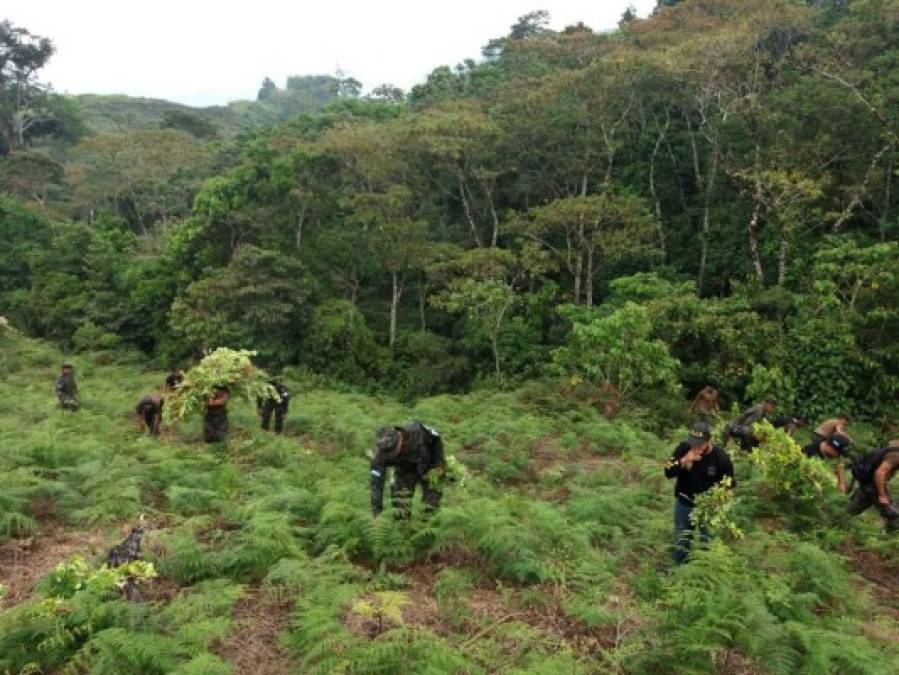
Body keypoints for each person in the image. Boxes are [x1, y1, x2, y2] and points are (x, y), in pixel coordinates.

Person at [665, 420, 735, 564]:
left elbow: (729, 485)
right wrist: (684, 460)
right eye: (693, 442)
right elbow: (668, 471)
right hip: (684, 502)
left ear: (709, 441)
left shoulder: (721, 458)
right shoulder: (683, 448)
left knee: (708, 543)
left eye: (699, 443)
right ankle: (679, 572)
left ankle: (705, 573)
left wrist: (718, 501)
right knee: (682, 540)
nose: (695, 446)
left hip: (708, 508)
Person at [370, 422, 446, 518]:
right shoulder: (380, 457)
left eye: (393, 451)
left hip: (430, 465)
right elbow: (376, 485)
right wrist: (376, 515)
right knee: (400, 507)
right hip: (405, 470)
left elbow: (436, 439)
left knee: (431, 506)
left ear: (399, 440)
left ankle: (427, 527)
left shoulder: (417, 431)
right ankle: (404, 529)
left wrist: (439, 464)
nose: (391, 456)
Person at [848, 440, 899, 533]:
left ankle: (833, 519)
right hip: (873, 482)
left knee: (854, 507)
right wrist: (882, 496)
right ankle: (892, 538)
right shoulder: (897, 455)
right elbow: (879, 474)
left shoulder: (895, 443)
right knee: (893, 513)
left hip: (868, 479)